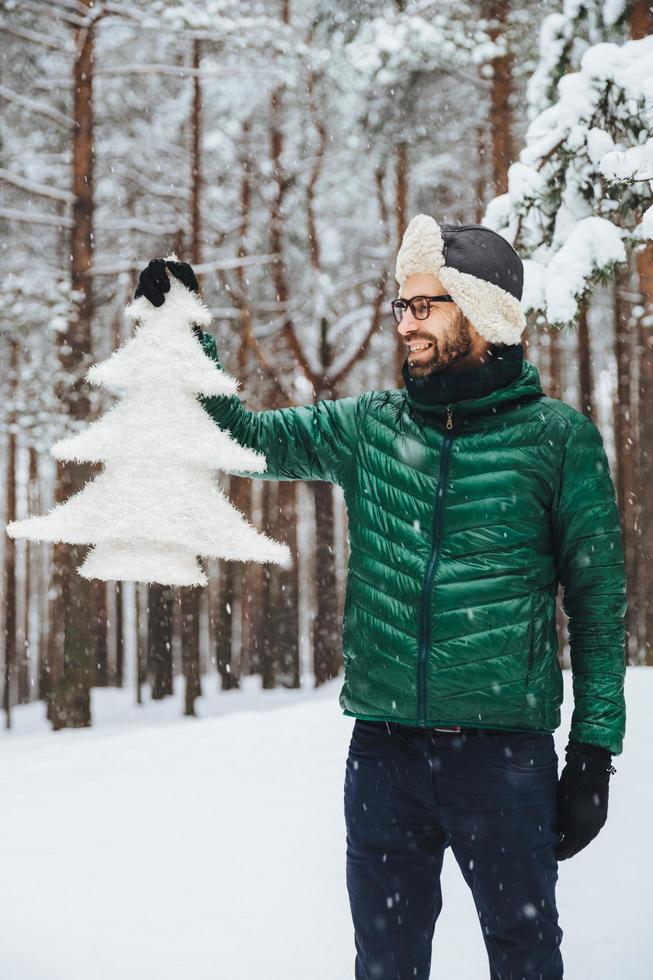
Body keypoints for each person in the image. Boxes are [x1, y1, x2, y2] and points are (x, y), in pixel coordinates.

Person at [135, 214, 626, 980]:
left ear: (482, 311)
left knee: (524, 961)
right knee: (384, 966)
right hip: (384, 756)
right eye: (401, 305)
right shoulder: (370, 427)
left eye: (424, 305)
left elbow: (598, 605)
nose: (405, 323)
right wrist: (183, 339)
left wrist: (593, 752)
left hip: (503, 758)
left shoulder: (556, 439)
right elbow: (239, 438)